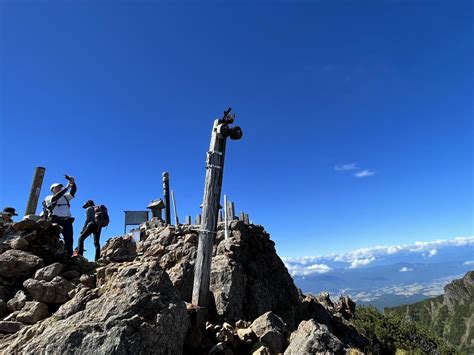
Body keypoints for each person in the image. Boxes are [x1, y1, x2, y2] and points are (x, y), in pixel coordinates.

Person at [44, 177, 77, 255]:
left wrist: (73, 183)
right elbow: (55, 198)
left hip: (67, 221)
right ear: (52, 190)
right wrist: (66, 188)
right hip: (55, 220)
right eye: (57, 187)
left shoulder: (66, 197)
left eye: (60, 187)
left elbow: (73, 191)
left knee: (69, 239)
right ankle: (51, 255)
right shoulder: (48, 197)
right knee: (53, 237)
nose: (59, 188)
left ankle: (69, 256)